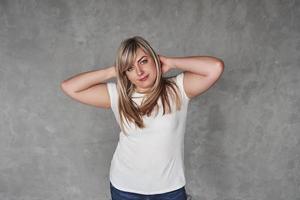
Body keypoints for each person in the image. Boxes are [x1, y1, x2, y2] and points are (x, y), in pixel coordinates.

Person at [61, 36, 224, 200]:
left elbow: (215, 67)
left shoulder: (178, 89)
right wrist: (113, 71)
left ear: (154, 59)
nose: (139, 71)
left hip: (169, 189)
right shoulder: (118, 95)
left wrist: (170, 62)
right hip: (125, 188)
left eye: (143, 61)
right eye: (130, 68)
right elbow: (69, 87)